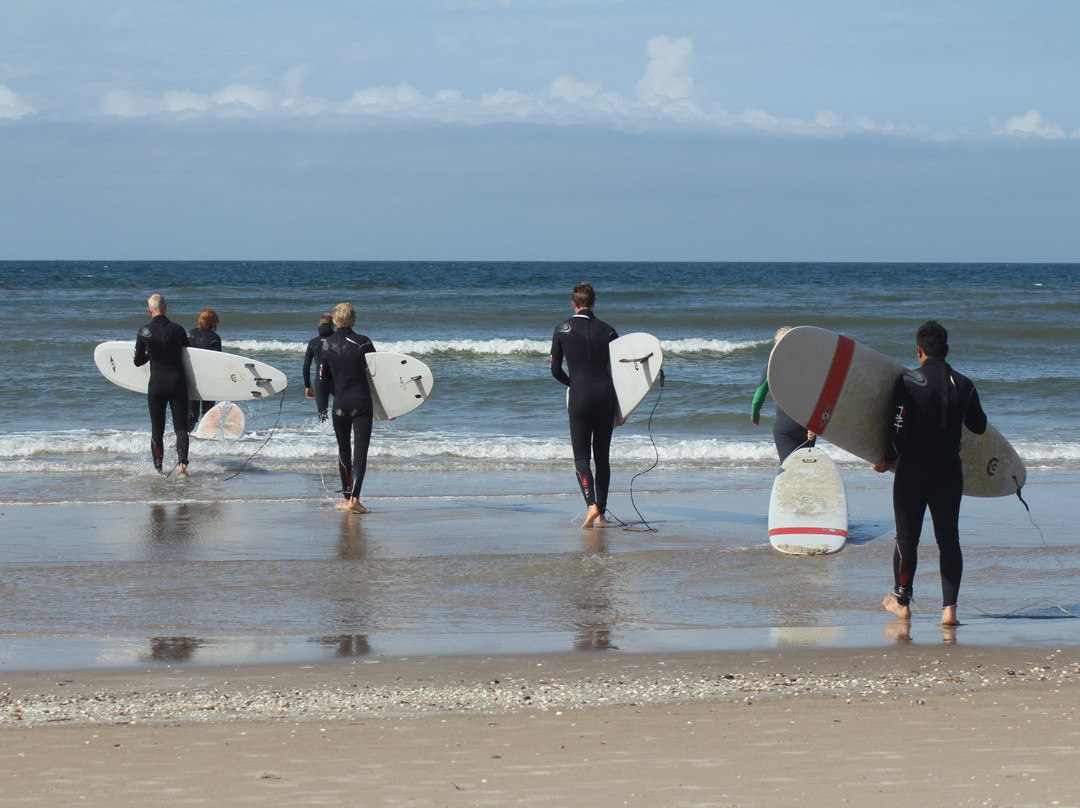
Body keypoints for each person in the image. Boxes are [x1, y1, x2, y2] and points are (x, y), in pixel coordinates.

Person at [872, 320, 987, 627]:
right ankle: (949, 609)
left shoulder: (910, 381)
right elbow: (979, 425)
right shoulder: (965, 384)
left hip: (912, 471)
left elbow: (899, 428)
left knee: (906, 539)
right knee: (948, 540)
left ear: (919, 350)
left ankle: (902, 601)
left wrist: (887, 459)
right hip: (949, 471)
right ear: (947, 350)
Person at [550, 281, 618, 529]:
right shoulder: (609, 331)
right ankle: (601, 513)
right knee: (602, 458)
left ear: (573, 303)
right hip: (606, 396)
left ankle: (590, 505)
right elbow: (620, 372)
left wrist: (573, 384)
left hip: (580, 396)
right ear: (594, 303)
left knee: (581, 457)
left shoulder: (562, 329)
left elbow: (555, 370)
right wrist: (624, 405)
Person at [319, 302, 376, 514]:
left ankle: (345, 498)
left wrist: (325, 406)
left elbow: (323, 380)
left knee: (344, 450)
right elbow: (378, 376)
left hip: (340, 404)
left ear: (335, 320)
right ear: (353, 319)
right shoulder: (363, 342)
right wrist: (389, 407)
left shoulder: (326, 345)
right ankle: (355, 499)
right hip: (361, 402)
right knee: (360, 451)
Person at [133, 293, 190, 475]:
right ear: (165, 308)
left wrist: (151, 354)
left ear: (149, 310)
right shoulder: (178, 330)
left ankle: (159, 469)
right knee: (180, 427)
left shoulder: (143, 331)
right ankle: (182, 465)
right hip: (177, 383)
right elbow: (191, 356)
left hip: (156, 385)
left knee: (157, 429)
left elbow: (137, 361)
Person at [751, 326, 816, 462]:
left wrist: (755, 415)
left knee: (790, 470)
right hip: (807, 426)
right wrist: (815, 426)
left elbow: (758, 397)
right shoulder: (809, 366)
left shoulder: (771, 366)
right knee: (806, 470)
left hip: (785, 427)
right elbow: (817, 396)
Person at [186, 307, 222, 433]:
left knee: (191, 414)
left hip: (191, 378)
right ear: (214, 321)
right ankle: (206, 438)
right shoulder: (215, 338)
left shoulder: (189, 334)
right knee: (207, 413)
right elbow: (217, 361)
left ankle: (187, 438)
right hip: (208, 379)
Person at [303, 313, 335, 421]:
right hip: (337, 380)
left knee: (322, 416)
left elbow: (306, 367)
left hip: (320, 381)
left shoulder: (313, 342)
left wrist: (307, 386)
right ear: (333, 325)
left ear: (320, 325)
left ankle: (325, 436)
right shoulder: (338, 340)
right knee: (343, 412)